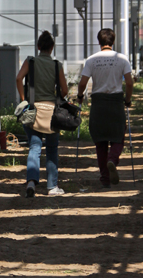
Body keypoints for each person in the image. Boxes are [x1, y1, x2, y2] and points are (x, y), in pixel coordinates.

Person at [77, 27, 133, 189]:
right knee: (118, 136)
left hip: (98, 103)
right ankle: (112, 159)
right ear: (113, 42)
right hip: (116, 102)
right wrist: (127, 100)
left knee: (100, 142)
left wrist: (80, 97)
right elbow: (129, 82)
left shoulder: (92, 60)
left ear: (99, 42)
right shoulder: (122, 59)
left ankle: (105, 179)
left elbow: (82, 83)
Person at [16, 30, 69, 198]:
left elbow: (18, 78)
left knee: (34, 146)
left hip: (32, 111)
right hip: (52, 113)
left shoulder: (30, 61)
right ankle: (52, 187)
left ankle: (31, 181)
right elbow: (65, 90)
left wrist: (24, 98)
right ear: (52, 48)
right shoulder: (56, 65)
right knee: (52, 149)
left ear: (38, 46)